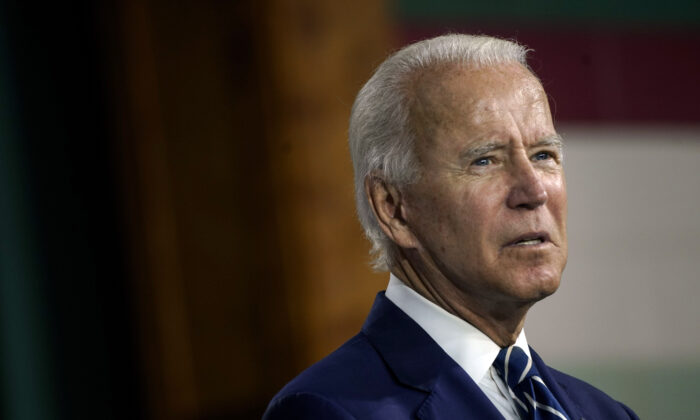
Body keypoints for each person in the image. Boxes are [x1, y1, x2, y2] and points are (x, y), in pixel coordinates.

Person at [263, 34, 639, 420]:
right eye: (485, 161)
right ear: (393, 207)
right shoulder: (330, 411)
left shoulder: (607, 413)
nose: (534, 190)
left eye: (543, 154)